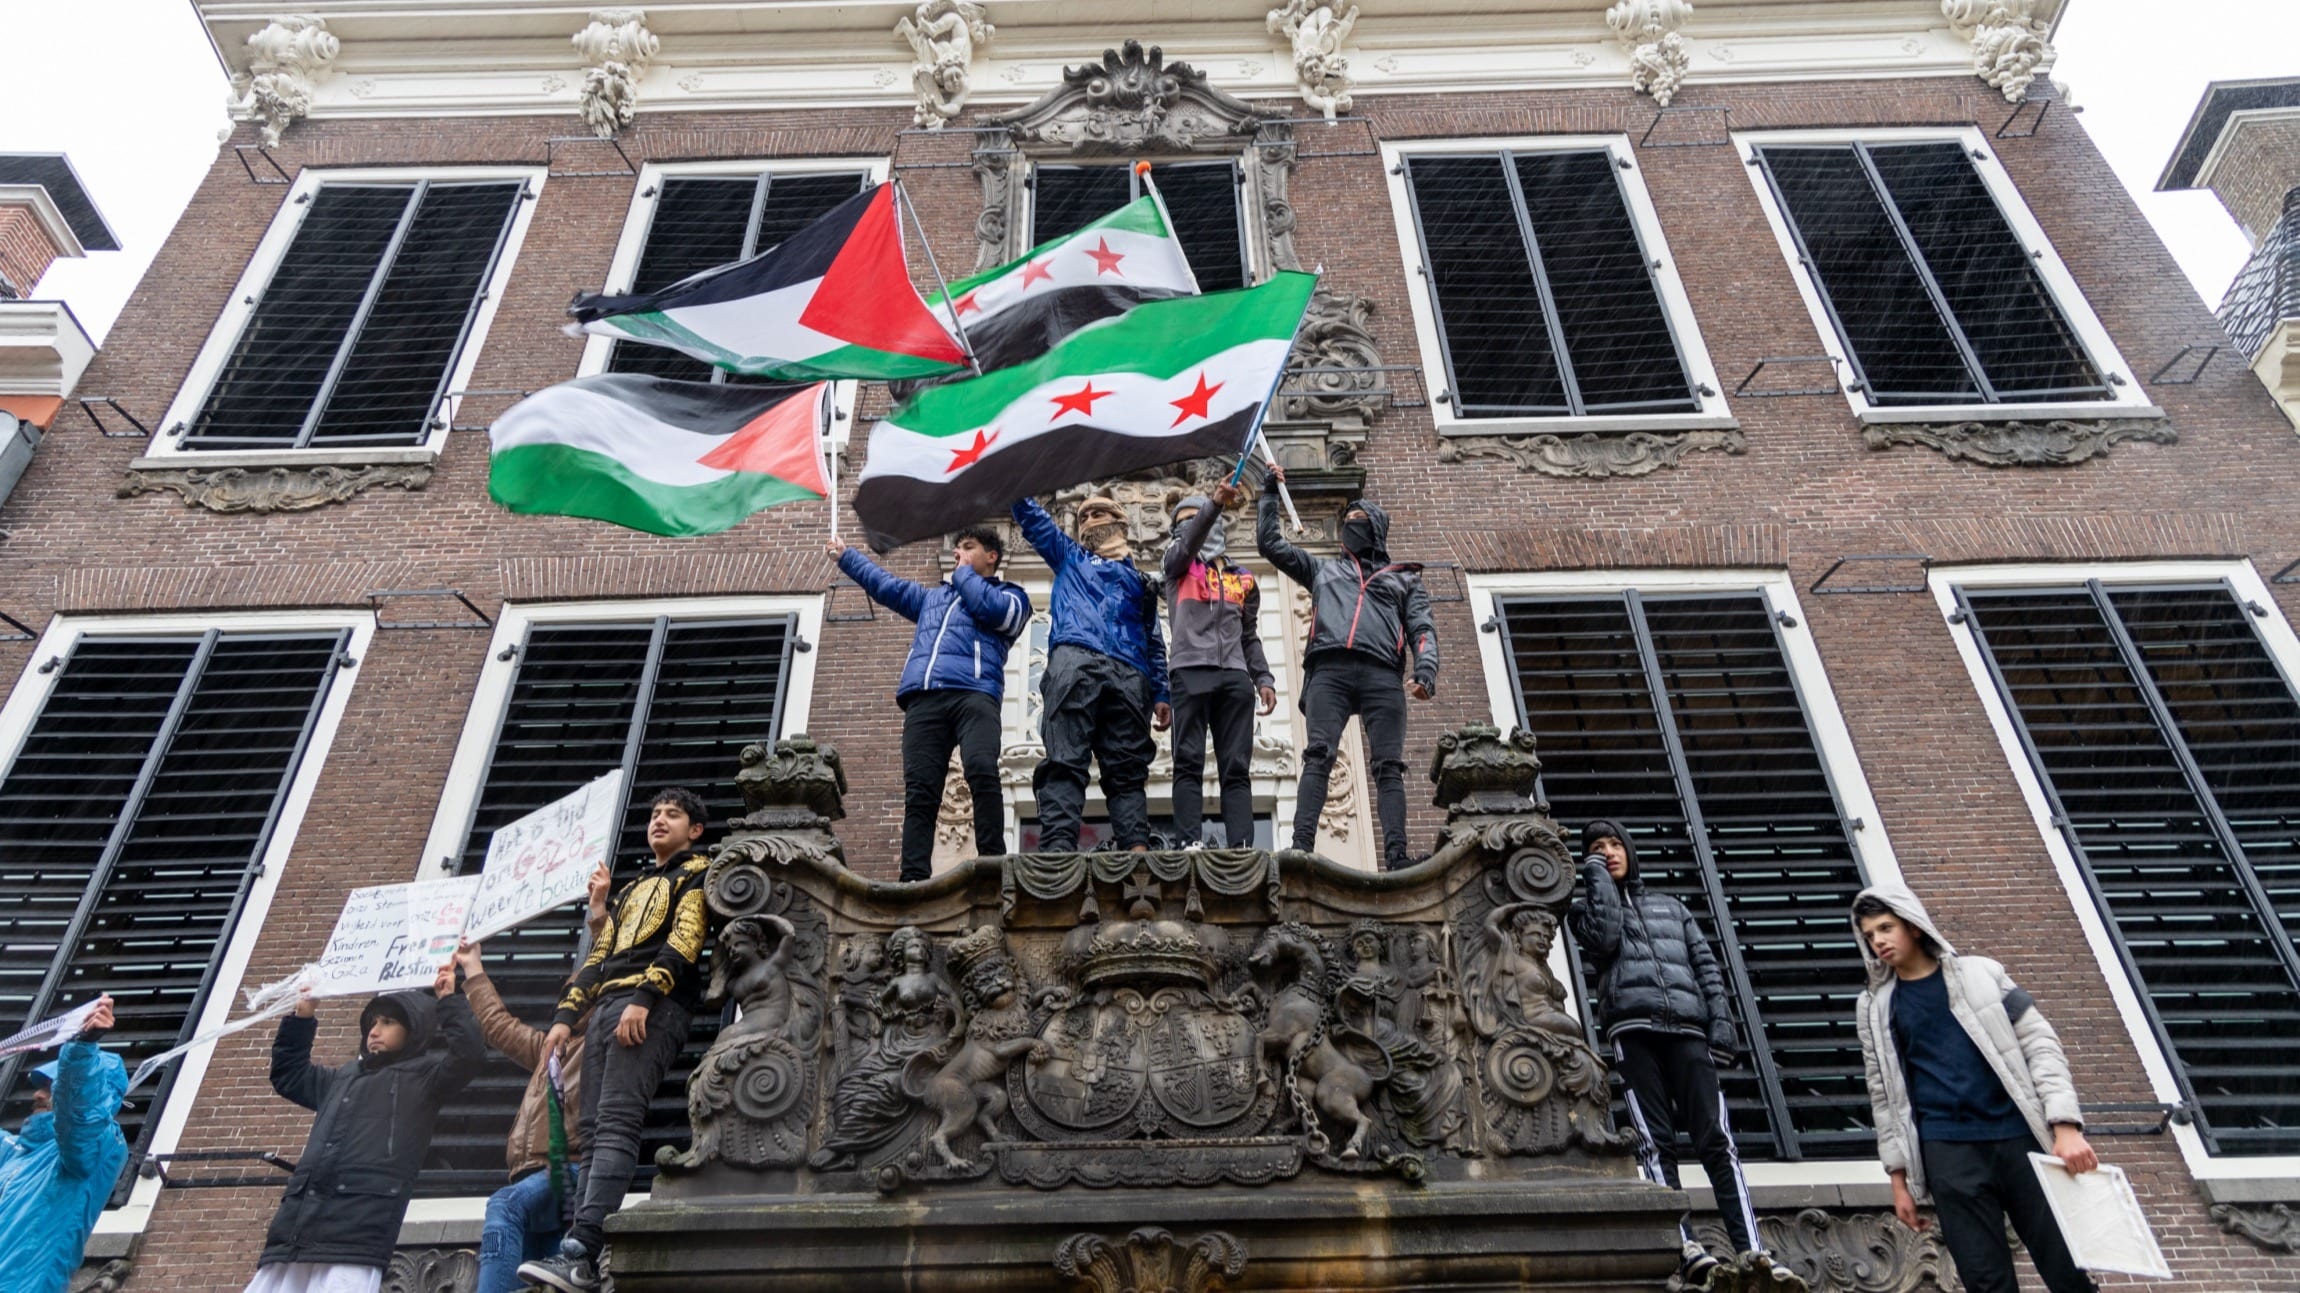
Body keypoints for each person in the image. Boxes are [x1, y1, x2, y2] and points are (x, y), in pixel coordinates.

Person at [1852, 884, 2099, 1293]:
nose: (1878, 940)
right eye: (1869, 935)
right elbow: (1883, 1094)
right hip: (1948, 1154)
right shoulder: (1874, 1008)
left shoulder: (1983, 973)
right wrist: (1899, 1180)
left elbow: (2041, 1044)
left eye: (1885, 927)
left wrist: (2065, 1125)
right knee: (1985, 1283)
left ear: (1913, 926)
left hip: (2021, 1142)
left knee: (2069, 1272)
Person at [521, 790, 715, 1293]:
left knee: (616, 1122)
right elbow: (599, 954)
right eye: (654, 814)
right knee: (591, 1129)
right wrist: (566, 1017)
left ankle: (583, 1248)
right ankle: (578, 1252)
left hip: (648, 1007)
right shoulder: (631, 890)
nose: (658, 821)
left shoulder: (697, 873)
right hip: (608, 1004)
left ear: (694, 829)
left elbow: (686, 941)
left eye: (672, 814)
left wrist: (646, 997)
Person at [1567, 821, 1755, 1284]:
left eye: (1614, 845)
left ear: (1630, 850)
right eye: (1596, 848)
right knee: (1655, 1143)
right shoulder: (1583, 912)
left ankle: (1752, 1249)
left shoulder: (1671, 908)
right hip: (1632, 1030)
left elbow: (1706, 967)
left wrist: (1722, 1030)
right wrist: (1596, 879)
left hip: (1689, 1030)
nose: (1608, 852)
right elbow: (1607, 938)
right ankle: (1685, 1244)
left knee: (1717, 1140)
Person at [249, 968, 482, 1293]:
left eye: (387, 1023)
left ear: (412, 1030)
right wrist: (303, 1015)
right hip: (297, 1229)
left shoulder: (425, 1078)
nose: (375, 1030)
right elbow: (288, 1074)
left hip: (359, 1232)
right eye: (373, 1023)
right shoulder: (342, 1077)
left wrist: (448, 1000)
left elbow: (469, 1056)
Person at [1255, 466, 1436, 869]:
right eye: (1347, 522)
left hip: (1383, 676)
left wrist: (1426, 671)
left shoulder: (1404, 581)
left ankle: (1396, 856)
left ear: (1376, 529)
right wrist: (1269, 493)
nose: (1349, 528)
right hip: (1329, 673)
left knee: (1389, 766)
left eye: (1358, 522)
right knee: (1318, 754)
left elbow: (1422, 628)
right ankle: (1302, 845)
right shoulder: (1323, 570)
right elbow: (1269, 544)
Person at [830, 528, 1032, 879]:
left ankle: (992, 862)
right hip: (925, 698)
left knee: (982, 769)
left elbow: (990, 609)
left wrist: (965, 573)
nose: (959, 553)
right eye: (957, 549)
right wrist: (847, 557)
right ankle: (912, 878)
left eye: (968, 548)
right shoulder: (931, 600)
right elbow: (885, 586)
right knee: (921, 792)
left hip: (975, 693)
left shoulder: (1012, 596)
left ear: (992, 557)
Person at [456, 862, 610, 1293]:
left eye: (581, 994)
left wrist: (598, 911)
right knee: (540, 1283)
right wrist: (473, 969)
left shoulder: (601, 1043)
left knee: (502, 1206)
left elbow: (613, 964)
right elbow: (498, 1026)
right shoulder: (550, 1050)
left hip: (569, 1171)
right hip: (533, 1175)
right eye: (567, 995)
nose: (570, 1001)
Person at [1011, 495, 1170, 852]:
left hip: (1129, 675)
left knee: (1127, 772)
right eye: (1083, 516)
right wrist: (1012, 477)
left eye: (1098, 513)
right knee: (1064, 760)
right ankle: (1057, 852)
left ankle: (1137, 855)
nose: (1088, 521)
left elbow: (1154, 641)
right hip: (1075, 661)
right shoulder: (1069, 555)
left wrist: (1162, 694)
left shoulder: (1141, 583)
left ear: (1120, 521)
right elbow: (1032, 519)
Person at [1161, 483, 1276, 848]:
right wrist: (1211, 504)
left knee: (1237, 768)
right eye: (1179, 524)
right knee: (1189, 761)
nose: (1185, 529)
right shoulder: (1176, 565)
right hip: (1189, 671)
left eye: (1191, 521)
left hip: (1235, 678)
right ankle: (1187, 843)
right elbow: (1188, 545)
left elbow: (1249, 635)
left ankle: (1241, 845)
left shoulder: (1243, 578)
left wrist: (1263, 678)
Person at [0, 996, 127, 1293]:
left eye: (51, 1087)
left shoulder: (93, 1149)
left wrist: (82, 1048)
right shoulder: (13, 1151)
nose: (37, 1096)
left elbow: (81, 1112)